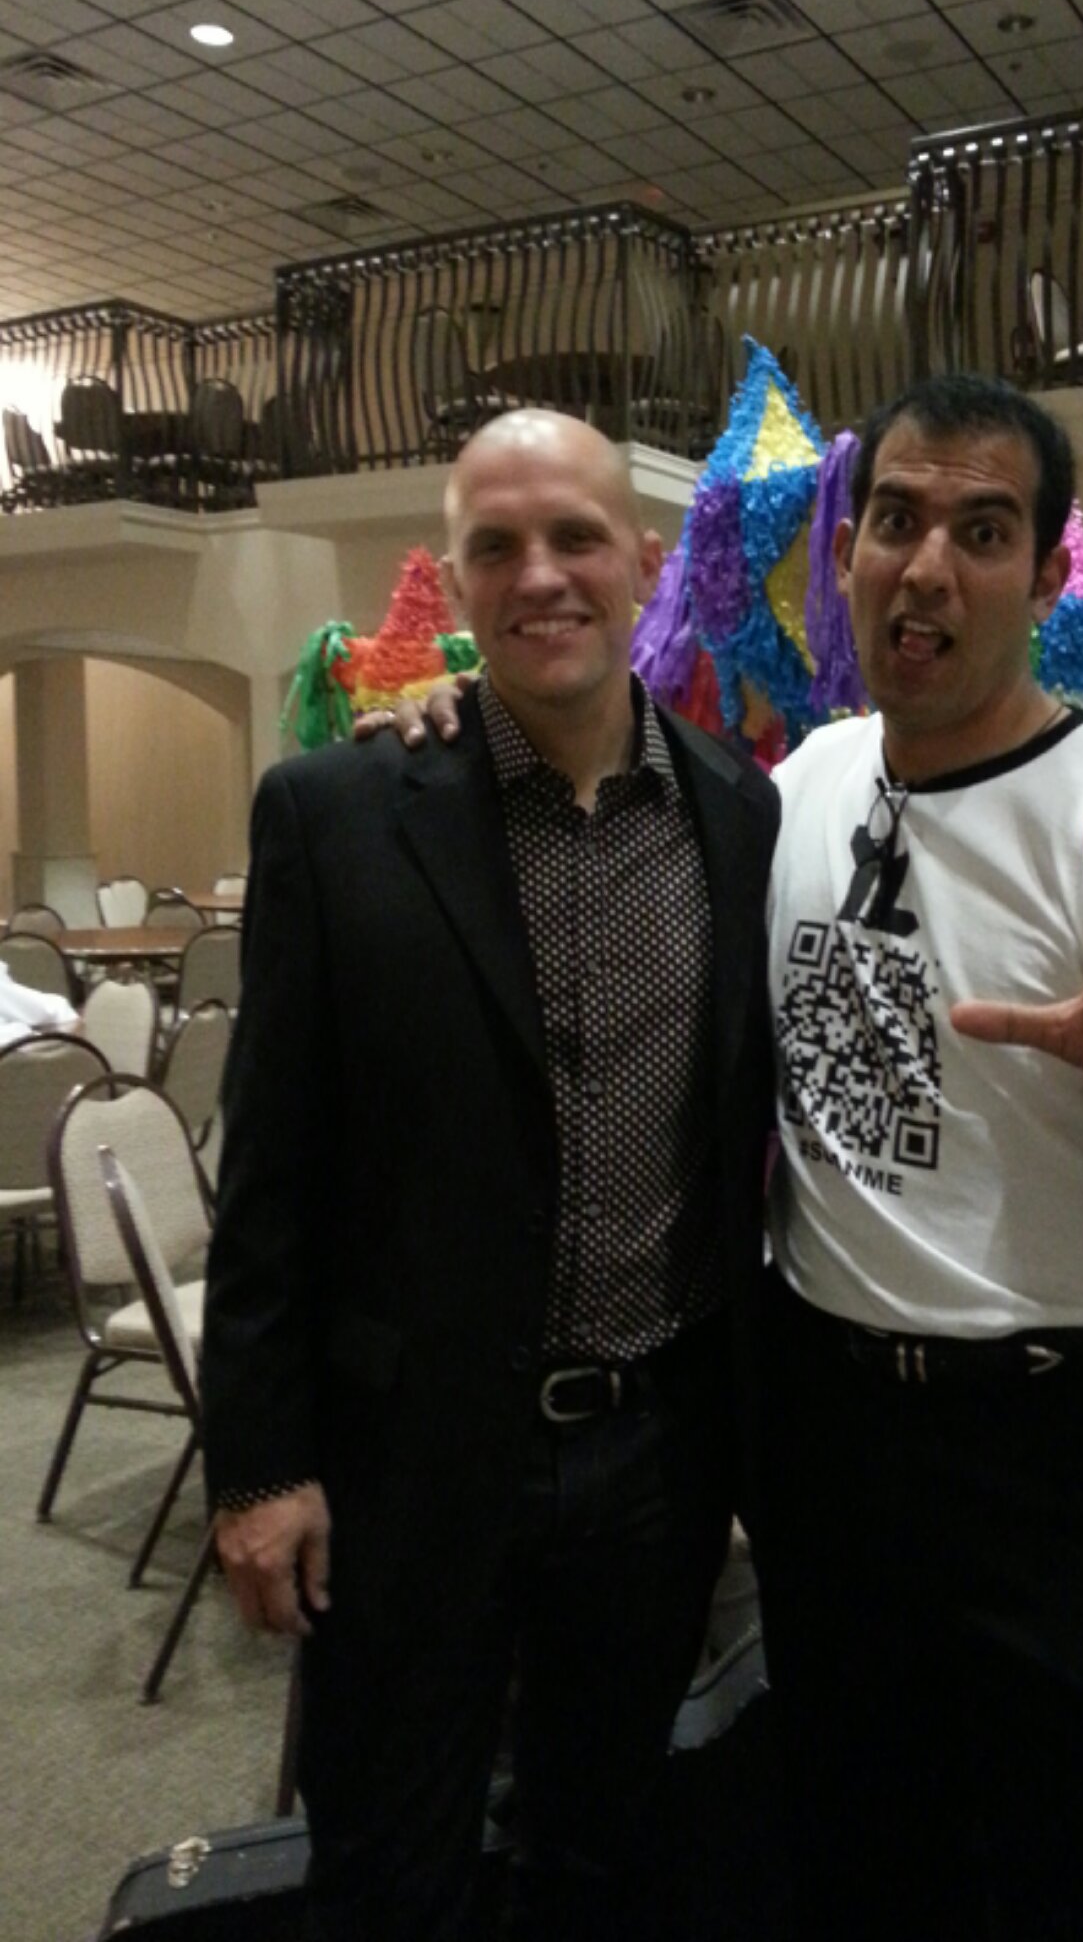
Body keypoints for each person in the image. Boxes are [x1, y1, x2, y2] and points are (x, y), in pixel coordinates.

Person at [391, 374, 1083, 1940]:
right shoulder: (797, 788)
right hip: (824, 1438)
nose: (928, 567)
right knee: (850, 1859)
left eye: (984, 531)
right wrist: (450, 721)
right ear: (845, 553)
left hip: (1055, 1454)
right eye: (896, 520)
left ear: (1045, 574)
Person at [200, 410, 780, 1942]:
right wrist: (255, 1466)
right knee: (391, 1867)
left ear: (643, 562)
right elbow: (268, 1176)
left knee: (603, 1852)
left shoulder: (739, 812)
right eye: (497, 547)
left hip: (655, 1457)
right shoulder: (336, 816)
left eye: (575, 538)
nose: (541, 576)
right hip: (411, 1460)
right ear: (455, 583)